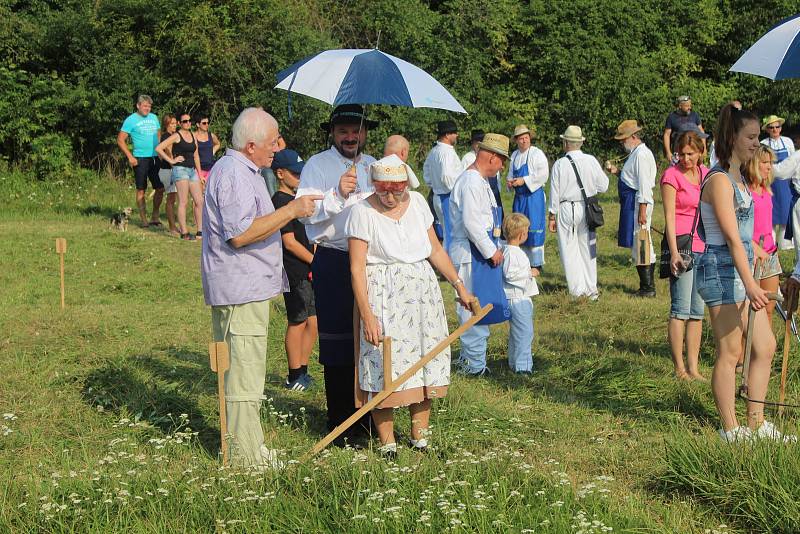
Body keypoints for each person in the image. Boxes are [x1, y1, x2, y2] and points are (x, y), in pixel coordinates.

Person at [200, 107, 321, 467]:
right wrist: (292, 211)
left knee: (245, 370)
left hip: (245, 288)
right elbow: (240, 234)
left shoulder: (243, 170)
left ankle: (247, 445)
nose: (277, 147)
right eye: (272, 141)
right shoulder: (235, 174)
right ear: (251, 145)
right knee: (243, 372)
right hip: (241, 290)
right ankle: (244, 457)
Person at [347, 155, 474, 457]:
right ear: (374, 186)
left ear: (407, 185)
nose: (390, 197)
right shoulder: (361, 212)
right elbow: (356, 268)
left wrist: (460, 286)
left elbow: (435, 249)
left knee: (424, 356)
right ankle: (387, 443)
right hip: (383, 294)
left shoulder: (417, 203)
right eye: (383, 190)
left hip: (421, 293)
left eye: (396, 190)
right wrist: (367, 315)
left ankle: (420, 438)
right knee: (383, 363)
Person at [694, 103, 794, 443]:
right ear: (732, 137)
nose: (757, 143)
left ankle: (756, 422)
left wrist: (756, 247)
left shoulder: (740, 178)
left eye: (757, 136)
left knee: (765, 345)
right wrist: (752, 284)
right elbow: (729, 239)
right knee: (730, 351)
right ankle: (730, 429)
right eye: (750, 136)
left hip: (739, 266)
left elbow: (739, 235)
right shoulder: (720, 180)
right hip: (720, 272)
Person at [296, 104, 378, 444]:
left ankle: (371, 419)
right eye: (343, 130)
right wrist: (338, 194)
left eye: (355, 130)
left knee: (371, 341)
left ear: (364, 133)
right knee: (338, 342)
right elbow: (305, 214)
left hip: (372, 262)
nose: (350, 136)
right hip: (333, 257)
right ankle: (340, 422)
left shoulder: (374, 165)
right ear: (332, 133)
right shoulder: (318, 165)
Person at [449, 133, 511, 376]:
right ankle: (474, 365)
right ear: (492, 157)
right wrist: (491, 250)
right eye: (502, 160)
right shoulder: (472, 182)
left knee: (479, 303)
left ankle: (470, 359)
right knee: (473, 306)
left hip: (480, 251)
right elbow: (472, 223)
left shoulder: (481, 181)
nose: (503, 165)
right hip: (472, 252)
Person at [660, 130, 709, 381]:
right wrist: (674, 253)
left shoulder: (705, 174)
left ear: (701, 152)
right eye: (682, 153)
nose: (686, 158)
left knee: (697, 311)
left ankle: (694, 367)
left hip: (702, 244)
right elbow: (668, 216)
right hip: (680, 245)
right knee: (680, 308)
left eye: (691, 154)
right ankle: (679, 368)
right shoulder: (671, 176)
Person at [271, 149, 317, 392]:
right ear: (280, 174)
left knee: (314, 322)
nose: (300, 177)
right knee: (297, 321)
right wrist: (314, 261)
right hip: (295, 271)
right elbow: (289, 242)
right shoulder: (280, 202)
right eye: (295, 173)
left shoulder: (299, 199)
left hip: (309, 268)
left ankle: (304, 369)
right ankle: (293, 375)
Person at [548, 125, 609, 300]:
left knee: (569, 250)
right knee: (588, 249)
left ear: (566, 143)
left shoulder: (560, 164)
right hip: (587, 207)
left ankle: (577, 291)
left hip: (566, 207)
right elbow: (604, 186)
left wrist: (552, 214)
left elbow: (555, 191)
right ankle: (591, 290)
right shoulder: (591, 160)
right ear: (580, 142)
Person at [608, 120, 658, 297]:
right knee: (639, 243)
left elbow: (644, 184)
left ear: (634, 137)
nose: (622, 143)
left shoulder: (641, 155)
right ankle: (646, 286)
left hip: (638, 203)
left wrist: (642, 210)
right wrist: (616, 172)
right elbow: (631, 179)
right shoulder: (635, 153)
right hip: (634, 202)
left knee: (642, 242)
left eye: (623, 140)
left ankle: (648, 288)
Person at [745, 145, 781, 324]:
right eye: (765, 162)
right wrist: (753, 248)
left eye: (770, 163)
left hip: (771, 254)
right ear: (754, 163)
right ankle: (745, 351)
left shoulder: (767, 190)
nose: (769, 167)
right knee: (752, 309)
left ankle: (766, 350)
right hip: (752, 255)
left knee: (769, 308)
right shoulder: (745, 192)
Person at [117, 95, 164, 227]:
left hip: (155, 158)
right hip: (140, 158)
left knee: (160, 188)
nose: (147, 109)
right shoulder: (131, 120)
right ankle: (143, 219)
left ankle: (155, 216)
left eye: (149, 106)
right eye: (144, 106)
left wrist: (161, 152)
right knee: (141, 190)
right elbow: (120, 140)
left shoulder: (154, 117)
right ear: (138, 106)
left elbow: (159, 135)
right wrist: (130, 157)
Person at [156, 112, 204, 240]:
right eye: (184, 121)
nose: (188, 123)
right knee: (183, 201)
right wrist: (172, 160)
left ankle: (200, 231)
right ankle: (184, 232)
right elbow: (159, 148)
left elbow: (196, 155)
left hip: (192, 170)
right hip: (180, 169)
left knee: (199, 201)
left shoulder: (193, 135)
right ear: (180, 123)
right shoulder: (177, 136)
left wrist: (200, 174)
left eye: (189, 121)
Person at [506, 124, 548, 269]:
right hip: (520, 197)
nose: (524, 141)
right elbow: (511, 173)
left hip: (533, 197)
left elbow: (543, 174)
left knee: (534, 228)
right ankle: (522, 261)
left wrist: (524, 180)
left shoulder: (536, 154)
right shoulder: (514, 155)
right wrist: (510, 182)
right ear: (516, 140)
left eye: (526, 138)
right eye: (521, 139)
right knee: (518, 227)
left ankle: (536, 263)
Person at [501, 213, 539, 374]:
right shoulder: (513, 253)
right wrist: (529, 273)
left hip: (515, 298)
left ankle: (514, 362)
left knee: (516, 333)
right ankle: (523, 367)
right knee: (524, 333)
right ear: (522, 234)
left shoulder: (506, 250)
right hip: (518, 298)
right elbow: (510, 274)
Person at [422, 120, 462, 250]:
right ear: (447, 135)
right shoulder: (446, 152)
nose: (457, 135)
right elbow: (447, 176)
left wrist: (434, 184)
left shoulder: (434, 151)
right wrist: (457, 191)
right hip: (447, 197)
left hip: (438, 195)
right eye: (454, 133)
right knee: (451, 233)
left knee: (448, 231)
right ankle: (449, 264)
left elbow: (426, 172)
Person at [760, 115, 795, 250]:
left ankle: (785, 242)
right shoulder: (763, 144)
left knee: (786, 212)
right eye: (771, 127)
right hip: (769, 183)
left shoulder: (788, 142)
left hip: (785, 184)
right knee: (771, 213)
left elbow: (793, 162)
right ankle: (771, 241)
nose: (775, 129)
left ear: (781, 128)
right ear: (767, 129)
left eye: (777, 126)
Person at [462, 129, 504, 227]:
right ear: (472, 143)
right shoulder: (468, 158)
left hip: (493, 191)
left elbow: (495, 177)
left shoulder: (490, 158)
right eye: (477, 143)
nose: (478, 145)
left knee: (497, 222)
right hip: (477, 195)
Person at [663, 95, 704, 162]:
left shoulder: (694, 115)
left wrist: (703, 149)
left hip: (694, 151)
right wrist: (668, 152)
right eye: (687, 106)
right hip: (678, 152)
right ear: (680, 106)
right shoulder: (672, 117)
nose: (689, 108)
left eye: (690, 105)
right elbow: (667, 135)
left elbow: (701, 131)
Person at [157, 114, 179, 235]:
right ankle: (172, 227)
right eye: (172, 123)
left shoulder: (171, 136)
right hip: (168, 170)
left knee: (172, 199)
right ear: (167, 124)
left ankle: (174, 225)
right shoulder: (167, 136)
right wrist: (174, 166)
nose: (175, 125)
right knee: (170, 199)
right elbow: (169, 152)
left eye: (175, 123)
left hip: (168, 170)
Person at [195, 113, 221, 183]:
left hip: (211, 169)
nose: (207, 125)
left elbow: (218, 144)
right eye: (204, 123)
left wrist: (212, 152)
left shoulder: (211, 135)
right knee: (199, 193)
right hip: (198, 170)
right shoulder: (193, 136)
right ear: (198, 124)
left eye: (207, 123)